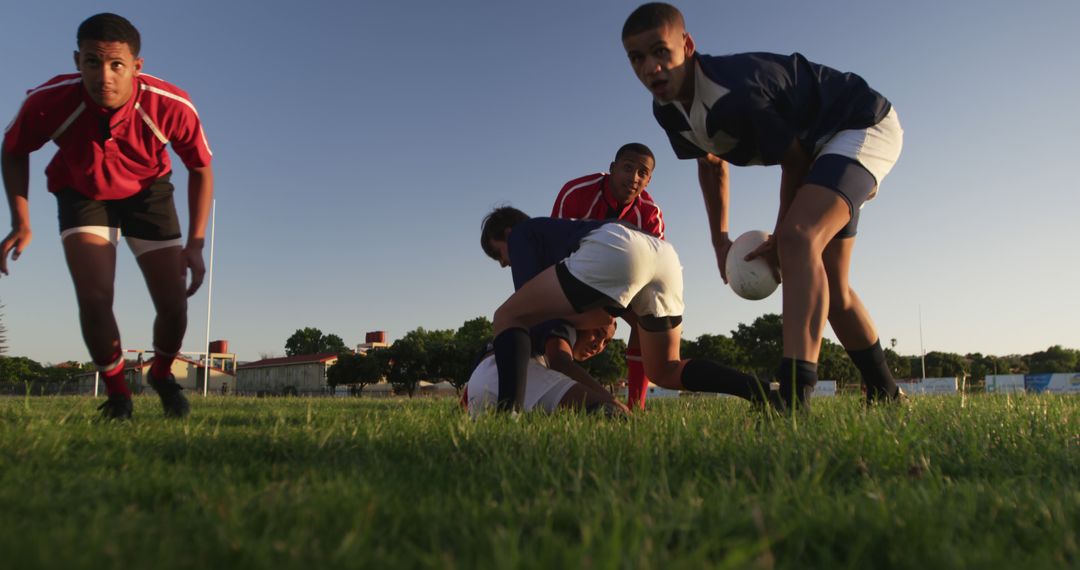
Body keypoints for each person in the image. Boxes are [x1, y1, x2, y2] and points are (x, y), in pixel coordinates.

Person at [621, 3, 904, 411]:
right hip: (821, 151)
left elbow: (796, 163)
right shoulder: (666, 109)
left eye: (660, 51)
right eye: (637, 58)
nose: (651, 68)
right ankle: (885, 393)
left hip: (859, 126)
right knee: (833, 288)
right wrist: (720, 239)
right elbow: (711, 164)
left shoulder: (736, 91)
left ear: (687, 45)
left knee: (797, 239)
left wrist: (780, 240)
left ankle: (793, 397)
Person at [1, 13, 214, 419]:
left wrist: (196, 243)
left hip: (147, 193)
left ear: (136, 66)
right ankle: (119, 397)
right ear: (77, 60)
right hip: (82, 192)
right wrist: (20, 219)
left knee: (174, 306)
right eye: (92, 62)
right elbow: (13, 149)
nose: (105, 76)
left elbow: (201, 168)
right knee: (95, 297)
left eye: (117, 64)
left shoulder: (171, 105)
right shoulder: (48, 102)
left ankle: (163, 375)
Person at [480, 206, 776, 412]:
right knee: (665, 368)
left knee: (507, 315)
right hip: (663, 256)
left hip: (617, 248)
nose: (505, 263)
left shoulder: (522, 233)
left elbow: (529, 318)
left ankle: (509, 415)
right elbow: (606, 311)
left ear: (507, 232)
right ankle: (762, 393)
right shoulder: (556, 239)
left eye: (498, 254)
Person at [551, 142, 665, 411]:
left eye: (642, 173)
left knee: (648, 319)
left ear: (648, 180)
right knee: (529, 318)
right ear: (612, 169)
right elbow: (555, 251)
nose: (633, 177)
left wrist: (610, 313)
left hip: (621, 287)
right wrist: (588, 312)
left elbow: (651, 278)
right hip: (573, 274)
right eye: (627, 168)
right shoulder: (576, 192)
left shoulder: (650, 215)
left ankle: (636, 405)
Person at [466, 320, 628, 417]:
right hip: (499, 374)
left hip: (482, 382)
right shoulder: (567, 320)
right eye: (597, 333)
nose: (598, 345)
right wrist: (614, 402)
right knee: (609, 412)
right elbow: (560, 361)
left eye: (606, 342)